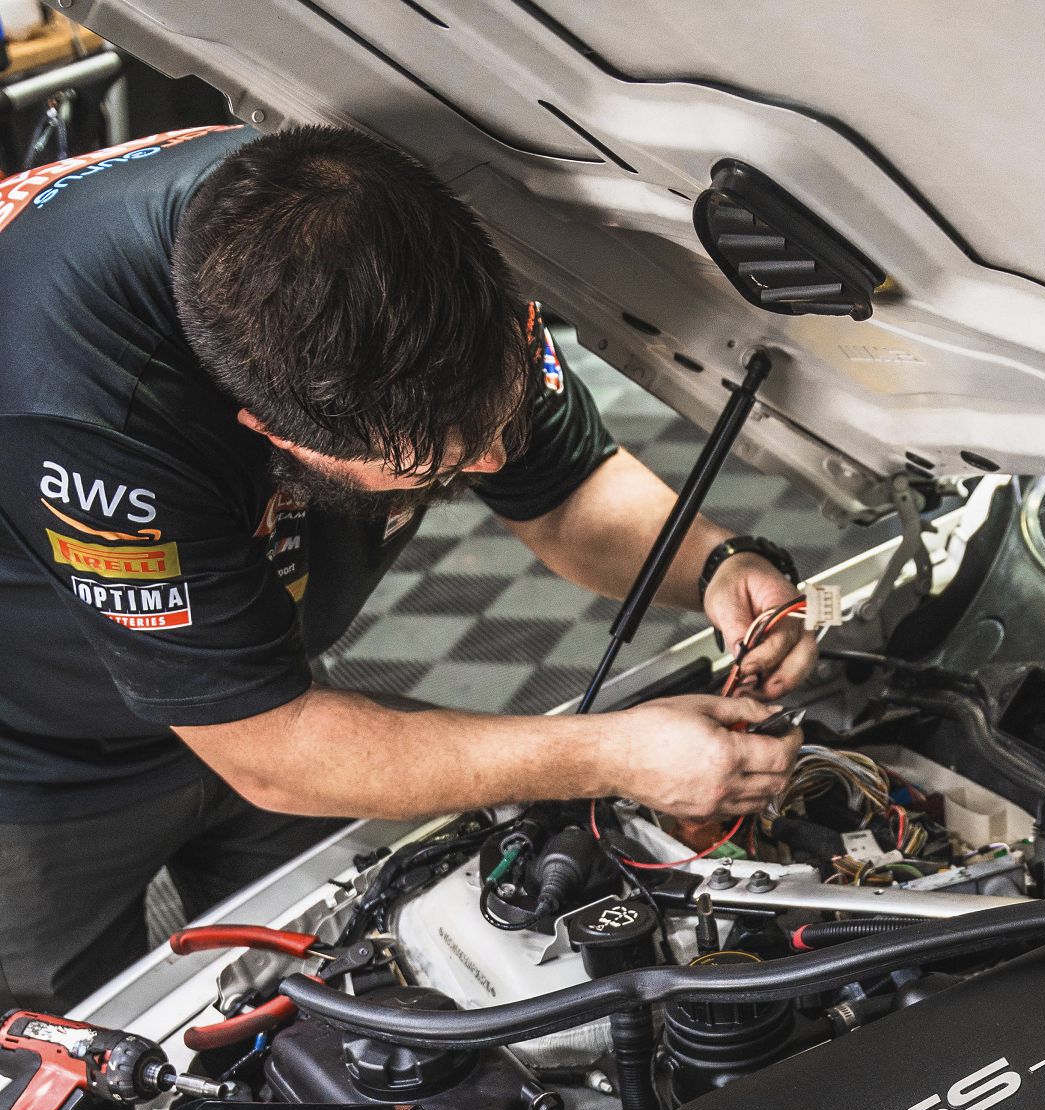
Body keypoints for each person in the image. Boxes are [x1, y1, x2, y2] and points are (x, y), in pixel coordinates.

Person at [0, 121, 814, 1007]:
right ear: (275, 436)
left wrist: (715, 565)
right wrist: (613, 754)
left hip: (264, 679)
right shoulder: (89, 411)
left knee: (325, 976)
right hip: (36, 758)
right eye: (435, 469)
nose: (492, 463)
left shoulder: (398, 248)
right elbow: (269, 752)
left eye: (496, 424)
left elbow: (565, 490)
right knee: (81, 1044)